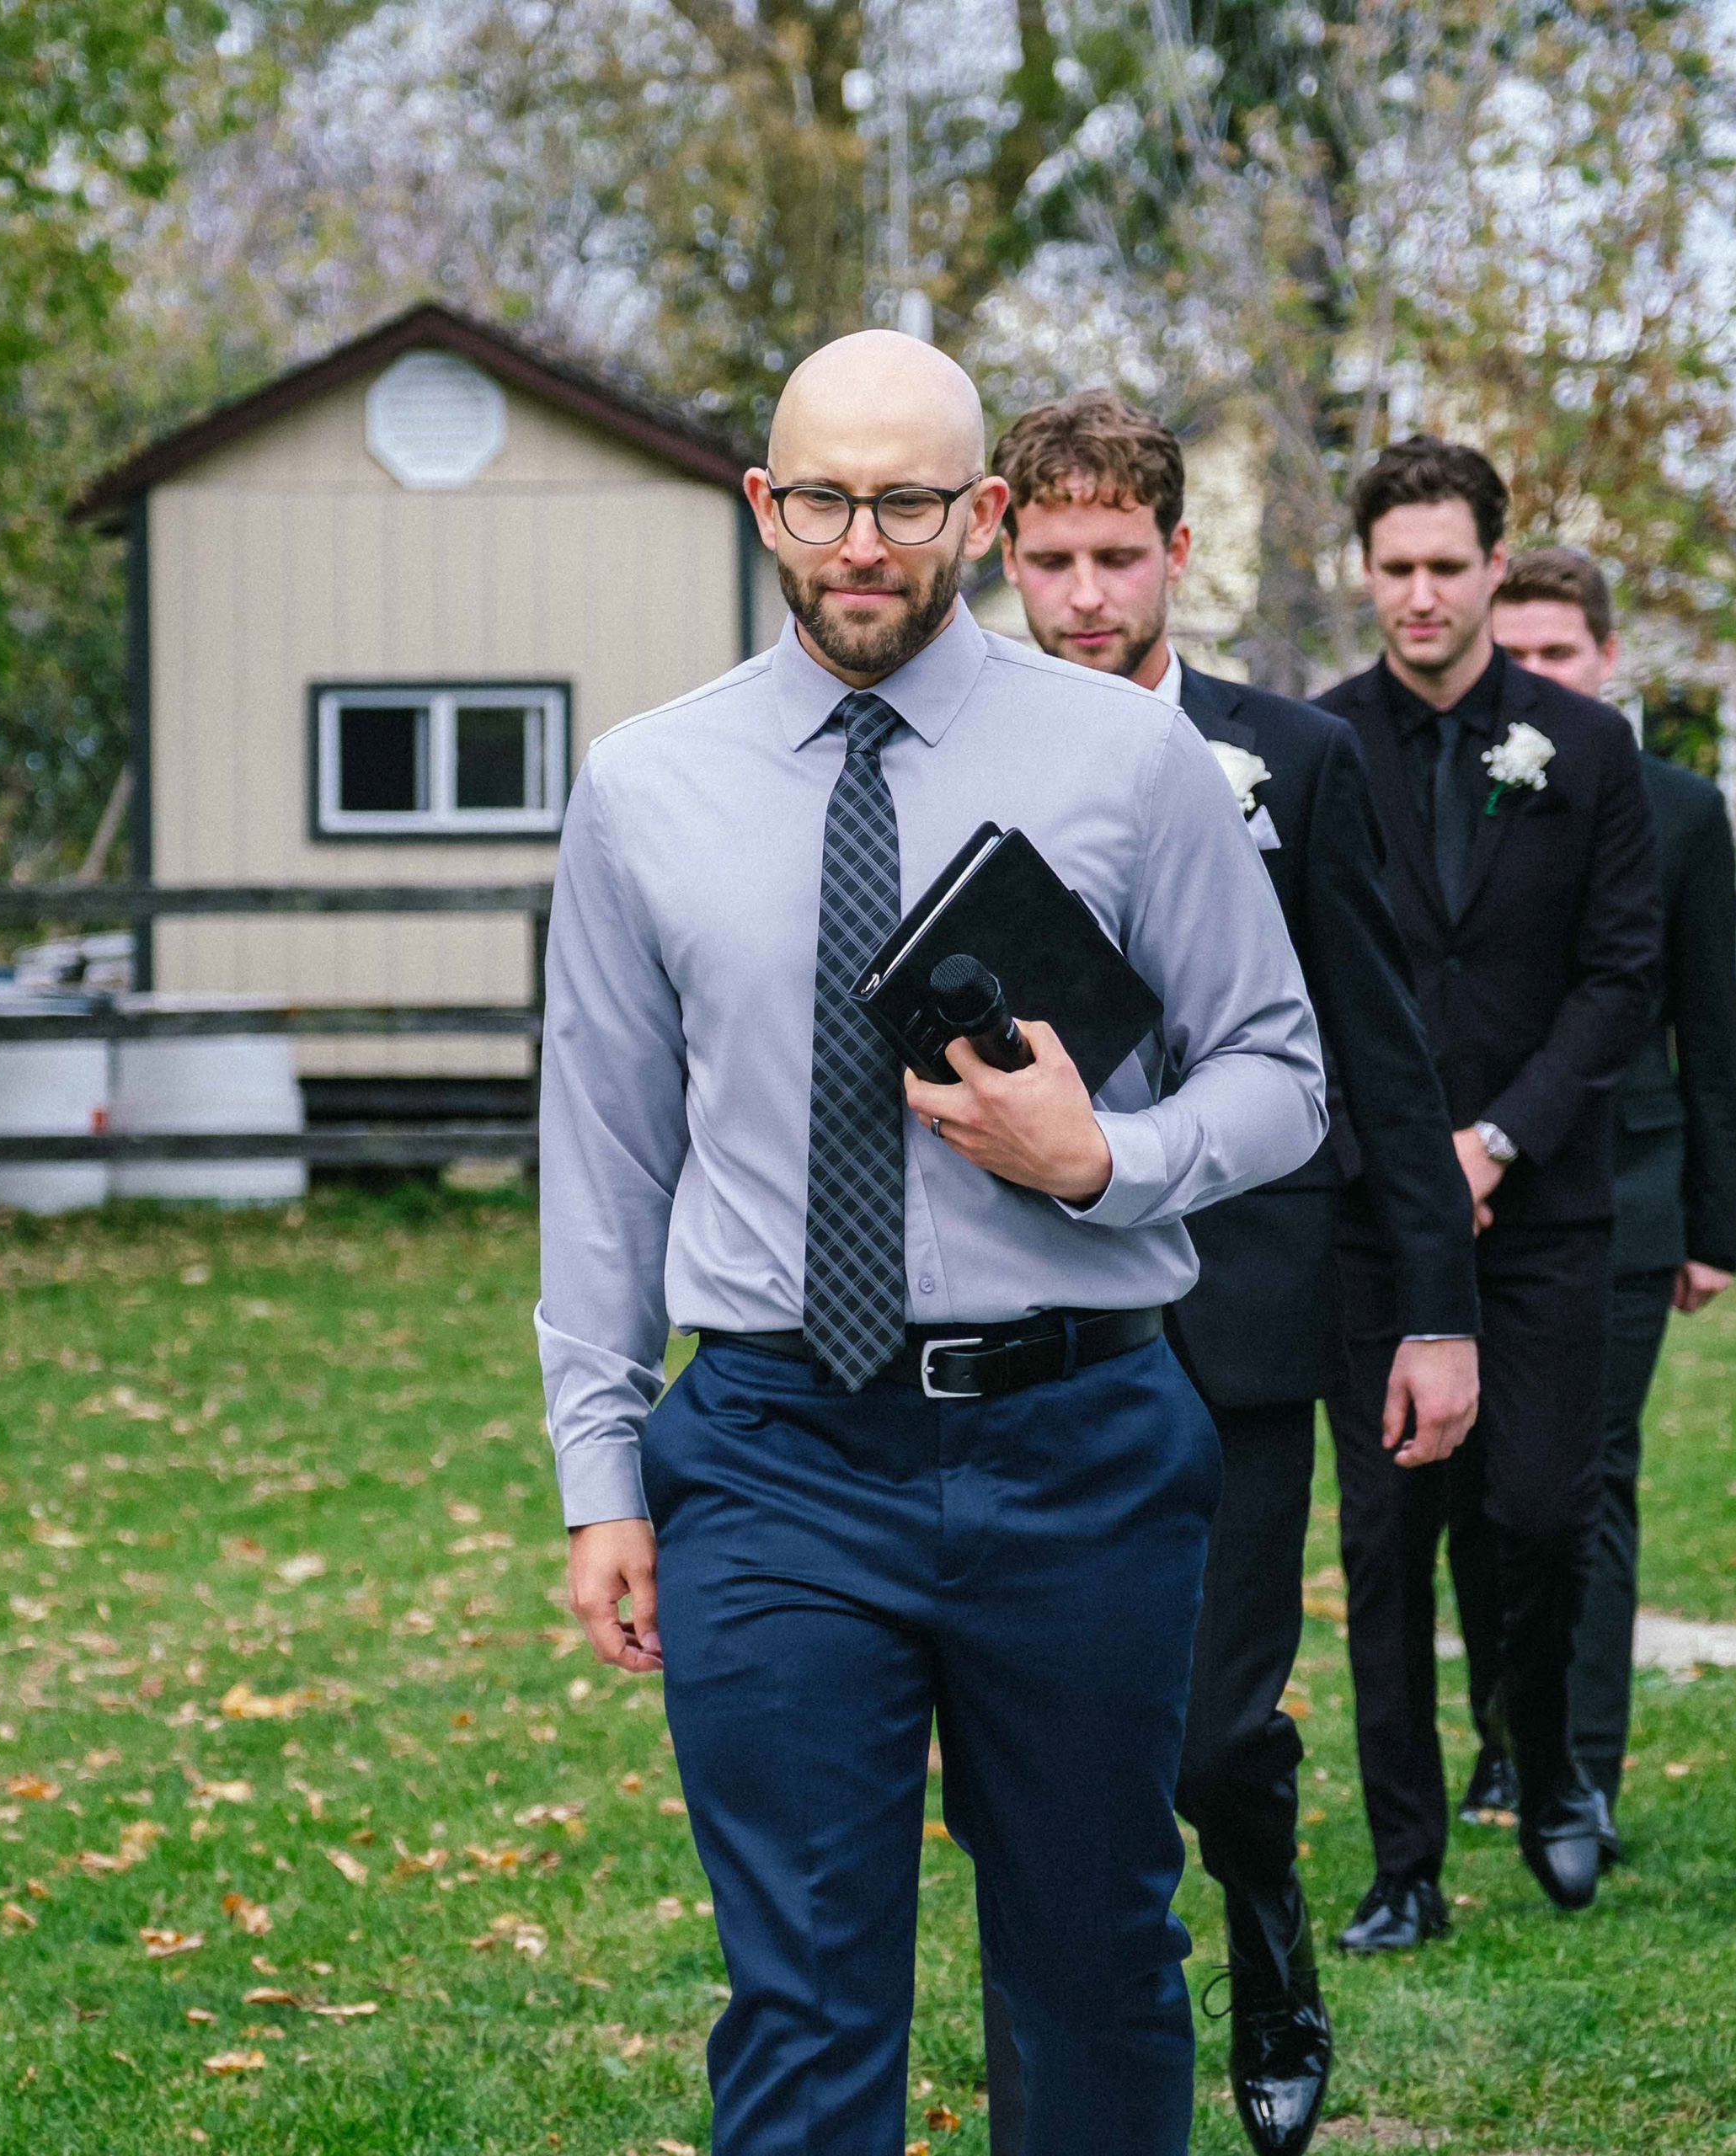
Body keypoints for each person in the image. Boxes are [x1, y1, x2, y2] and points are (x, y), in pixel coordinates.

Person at [534, 330, 1327, 2156]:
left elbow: (1282, 1077)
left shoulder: (1131, 758)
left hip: (1081, 1445)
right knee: (804, 1991)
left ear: (978, 513)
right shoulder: (646, 786)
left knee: (1095, 1963)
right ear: (764, 504)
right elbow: (603, 1155)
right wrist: (599, 1472)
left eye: (905, 504)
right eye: (822, 500)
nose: (861, 544)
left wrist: (1106, 1158)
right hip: (775, 1453)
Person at [981, 388, 1482, 2156]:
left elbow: (1381, 1051)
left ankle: (1267, 1928)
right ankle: (1065, 2077)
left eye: (1119, 557)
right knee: (1038, 1748)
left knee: (1204, 1735)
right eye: (1053, 559)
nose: (1085, 594)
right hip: (1024, 1311)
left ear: (1180, 553)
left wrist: (1437, 1309)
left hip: (1247, 1316)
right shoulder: (954, 743)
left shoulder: (1297, 759)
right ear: (1006, 555)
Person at [1310, 438, 1660, 1949]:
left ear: (1495, 568)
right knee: (1386, 1537)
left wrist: (1500, 1139)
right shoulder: (1316, 745)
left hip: (1545, 1208)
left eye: (1447, 567)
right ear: (1365, 573)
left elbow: (1621, 977)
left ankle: (1551, 1759)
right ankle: (1406, 1863)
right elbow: (1294, 984)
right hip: (1368, 1219)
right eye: (1395, 569)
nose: (1421, 595)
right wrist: (1406, 1158)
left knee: (1539, 1508)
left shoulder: (1587, 750)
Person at [1460, 547, 1736, 1862]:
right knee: (1479, 1481)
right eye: (1514, 652)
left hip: (1625, 1186)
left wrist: (1713, 1226)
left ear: (1607, 657)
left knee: (1588, 1479)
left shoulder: (1681, 810)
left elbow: (1709, 1027)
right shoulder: (1455, 788)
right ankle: (1504, 1737)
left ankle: (1581, 1765)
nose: (1535, 676)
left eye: (1558, 654)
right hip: (1475, 1186)